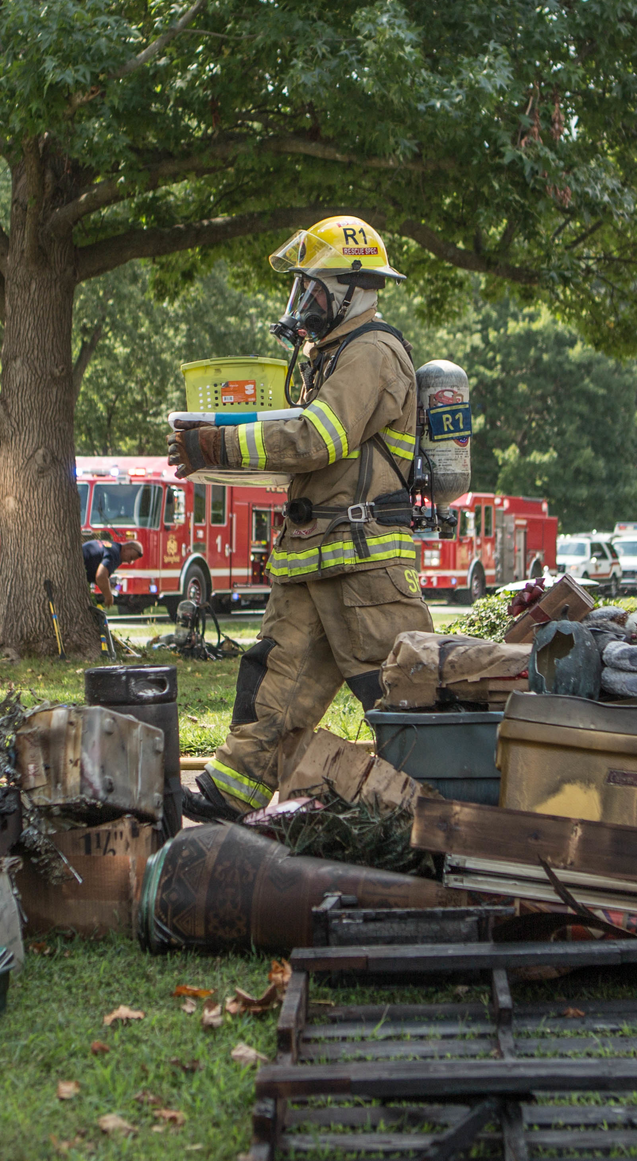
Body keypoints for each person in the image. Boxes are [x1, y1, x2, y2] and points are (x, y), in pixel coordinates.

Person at [168, 216, 433, 821]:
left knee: (401, 696)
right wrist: (214, 446)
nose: (302, 305)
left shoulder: (372, 352)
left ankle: (439, 813)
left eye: (312, 290)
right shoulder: (335, 356)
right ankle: (229, 797)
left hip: (366, 567)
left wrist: (218, 447)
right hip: (315, 555)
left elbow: (318, 439)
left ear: (352, 288)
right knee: (273, 682)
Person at [83, 536, 144, 608]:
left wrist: (107, 584)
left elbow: (96, 572)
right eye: (131, 558)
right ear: (127, 549)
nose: (129, 562)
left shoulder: (113, 546)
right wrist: (108, 596)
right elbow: (100, 576)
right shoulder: (115, 555)